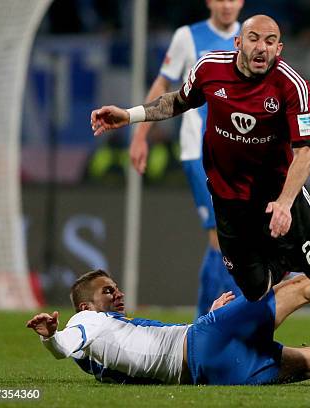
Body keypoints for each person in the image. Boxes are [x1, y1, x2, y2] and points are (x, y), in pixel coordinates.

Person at [91, 14, 310, 372]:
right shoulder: (209, 70)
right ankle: (276, 308)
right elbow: (178, 101)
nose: (261, 47)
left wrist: (286, 203)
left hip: (281, 199)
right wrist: (130, 115)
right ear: (238, 43)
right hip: (231, 206)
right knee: (256, 294)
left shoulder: (292, 86)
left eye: (270, 41)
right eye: (254, 39)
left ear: (279, 48)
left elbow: (305, 151)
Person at [27, 269, 310, 387]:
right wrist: (51, 338)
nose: (119, 294)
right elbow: (64, 345)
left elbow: (153, 356)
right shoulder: (86, 321)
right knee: (305, 283)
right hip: (207, 338)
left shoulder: (99, 364)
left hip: (211, 372)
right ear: (85, 306)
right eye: (109, 291)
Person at [132, 0, 245, 317]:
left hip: (239, 153)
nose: (227, 5)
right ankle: (214, 323)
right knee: (221, 238)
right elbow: (163, 84)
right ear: (209, 1)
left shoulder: (250, 38)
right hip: (200, 150)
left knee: (236, 239)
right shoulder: (188, 36)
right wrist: (140, 136)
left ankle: (210, 324)